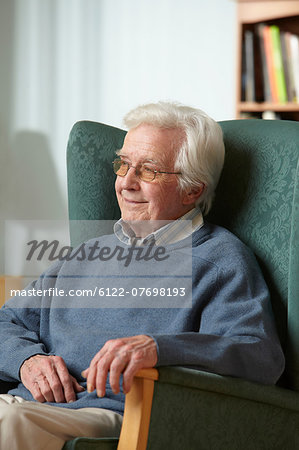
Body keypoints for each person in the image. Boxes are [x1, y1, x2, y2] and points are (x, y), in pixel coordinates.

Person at [0, 101, 285, 449]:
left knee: (12, 420)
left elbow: (258, 354)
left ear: (193, 189)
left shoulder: (221, 260)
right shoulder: (87, 253)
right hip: (23, 404)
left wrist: (158, 348)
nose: (126, 183)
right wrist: (26, 360)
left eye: (148, 170)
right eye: (124, 165)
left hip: (107, 415)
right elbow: (6, 322)